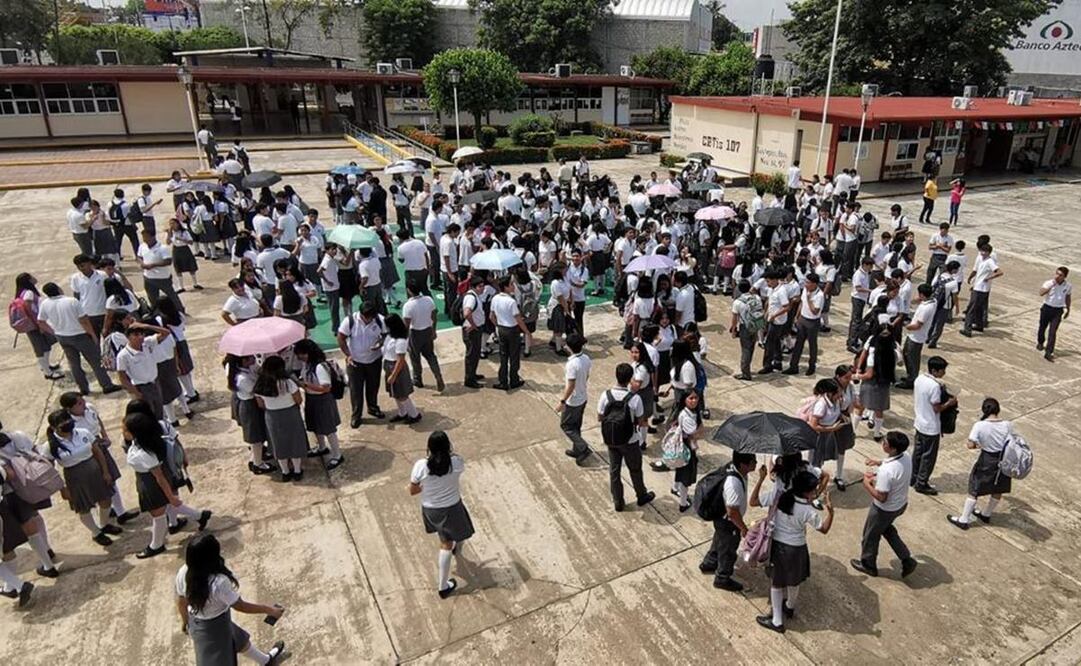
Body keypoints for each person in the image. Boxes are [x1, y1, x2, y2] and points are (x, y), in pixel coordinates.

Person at [176, 533, 286, 666]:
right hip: (216, 628)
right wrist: (270, 610)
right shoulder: (219, 582)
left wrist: (186, 623)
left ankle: (265, 660)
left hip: (198, 622)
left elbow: (182, 601)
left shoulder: (183, 572)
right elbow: (240, 606)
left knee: (240, 641)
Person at [751, 470, 833, 633]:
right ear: (805, 492)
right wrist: (831, 513)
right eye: (813, 490)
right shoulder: (808, 511)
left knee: (777, 583)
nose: (815, 493)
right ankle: (789, 607)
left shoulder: (782, 497)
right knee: (794, 581)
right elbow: (823, 529)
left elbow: (754, 501)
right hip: (798, 549)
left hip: (780, 548)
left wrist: (761, 478)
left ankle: (777, 620)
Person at [124, 411, 211, 559]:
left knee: (158, 516)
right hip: (146, 480)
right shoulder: (143, 443)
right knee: (169, 506)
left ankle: (156, 545)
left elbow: (159, 478)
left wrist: (170, 496)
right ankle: (200, 515)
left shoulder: (145, 453)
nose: (123, 433)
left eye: (126, 430)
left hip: (151, 484)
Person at [42, 409, 124, 548]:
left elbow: (97, 452)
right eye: (62, 423)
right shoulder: (49, 446)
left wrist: (105, 472)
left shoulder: (83, 433)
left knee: (106, 500)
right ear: (53, 427)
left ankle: (104, 524)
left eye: (67, 420)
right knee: (83, 507)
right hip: (74, 477)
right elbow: (50, 469)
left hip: (95, 471)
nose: (66, 424)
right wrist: (62, 488)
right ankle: (96, 532)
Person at [409, 431, 475, 599]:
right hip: (452, 507)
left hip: (431, 510)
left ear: (429, 447)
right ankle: (443, 586)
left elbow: (413, 490)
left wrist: (425, 487)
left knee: (445, 539)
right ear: (448, 446)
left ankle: (447, 575)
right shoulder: (457, 463)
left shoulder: (420, 466)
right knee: (447, 543)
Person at [59, 391, 138, 523]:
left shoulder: (89, 408)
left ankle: (120, 511)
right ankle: (106, 514)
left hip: (98, 444)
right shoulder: (69, 424)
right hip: (87, 452)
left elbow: (98, 420)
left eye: (82, 401)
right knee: (98, 483)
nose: (83, 404)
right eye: (79, 403)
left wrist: (105, 435)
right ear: (69, 409)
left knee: (110, 478)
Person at [851, 431, 918, 578]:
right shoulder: (905, 457)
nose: (882, 443)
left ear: (893, 449)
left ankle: (868, 564)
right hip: (900, 504)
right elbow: (892, 464)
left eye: (885, 443)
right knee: (887, 530)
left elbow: (881, 497)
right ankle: (906, 558)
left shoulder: (886, 472)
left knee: (870, 536)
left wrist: (866, 484)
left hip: (883, 510)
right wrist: (878, 462)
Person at [36, 282, 122, 396]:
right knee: (95, 361)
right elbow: (84, 320)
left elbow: (41, 322)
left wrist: (54, 332)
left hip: (63, 336)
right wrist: (92, 334)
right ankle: (106, 385)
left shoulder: (45, 304)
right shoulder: (71, 301)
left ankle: (83, 388)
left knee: (74, 364)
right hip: (80, 335)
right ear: (58, 289)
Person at [948, 398, 1016, 530]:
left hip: (987, 459)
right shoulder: (1008, 424)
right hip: (1004, 459)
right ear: (998, 410)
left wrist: (978, 445)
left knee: (975, 488)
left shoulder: (980, 425)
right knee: (998, 487)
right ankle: (986, 513)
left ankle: (964, 519)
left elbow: (970, 444)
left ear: (984, 410)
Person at [597, 363, 655, 512]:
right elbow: (641, 421)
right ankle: (641, 496)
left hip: (612, 439)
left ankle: (618, 501)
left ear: (616, 376)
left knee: (614, 471)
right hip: (630, 440)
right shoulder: (635, 399)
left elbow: (600, 417)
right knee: (635, 469)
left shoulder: (606, 395)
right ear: (630, 379)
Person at [699, 452, 757, 591]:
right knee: (729, 550)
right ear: (743, 464)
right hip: (728, 522)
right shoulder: (733, 483)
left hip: (722, 520)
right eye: (753, 461)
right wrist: (743, 528)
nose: (756, 463)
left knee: (719, 539)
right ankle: (722, 578)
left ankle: (710, 562)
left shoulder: (734, 469)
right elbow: (732, 512)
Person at [253, 355, 307, 482]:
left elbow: (260, 404)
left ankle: (285, 471)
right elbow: (298, 400)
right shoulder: (288, 383)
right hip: (291, 414)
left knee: (279, 443)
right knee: (294, 441)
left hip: (272, 416)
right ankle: (297, 470)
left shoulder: (260, 385)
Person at [294, 340, 344, 470]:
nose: (299, 357)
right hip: (312, 398)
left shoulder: (319, 367)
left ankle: (337, 455)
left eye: (302, 354)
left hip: (322, 399)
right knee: (315, 425)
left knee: (328, 428)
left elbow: (325, 388)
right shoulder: (307, 365)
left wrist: (305, 385)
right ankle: (322, 447)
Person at [911, 356, 957, 495]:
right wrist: (950, 403)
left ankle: (913, 477)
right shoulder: (934, 386)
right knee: (928, 457)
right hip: (931, 427)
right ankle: (922, 482)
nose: (944, 373)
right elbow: (937, 408)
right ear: (935, 370)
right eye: (942, 370)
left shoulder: (919, 379)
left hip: (919, 422)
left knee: (918, 453)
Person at [337, 301, 386, 428]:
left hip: (374, 360)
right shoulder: (350, 321)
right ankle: (356, 415)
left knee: (373, 386)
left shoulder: (380, 320)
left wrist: (380, 343)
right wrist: (348, 355)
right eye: (368, 317)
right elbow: (341, 337)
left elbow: (385, 334)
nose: (370, 319)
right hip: (355, 362)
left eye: (372, 317)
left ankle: (373, 408)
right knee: (356, 390)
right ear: (362, 315)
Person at [224, 354, 273, 476]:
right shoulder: (242, 378)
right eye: (250, 357)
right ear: (243, 361)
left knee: (258, 435)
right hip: (250, 406)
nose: (254, 358)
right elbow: (256, 389)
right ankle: (258, 464)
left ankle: (256, 458)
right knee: (256, 437)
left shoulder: (245, 370)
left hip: (251, 404)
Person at [115, 320, 172, 420]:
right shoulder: (123, 355)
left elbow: (166, 333)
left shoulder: (147, 343)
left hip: (154, 383)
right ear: (128, 337)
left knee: (160, 411)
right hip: (141, 387)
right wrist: (136, 393)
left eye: (142, 334)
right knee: (148, 415)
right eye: (136, 335)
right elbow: (122, 377)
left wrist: (147, 325)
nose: (140, 337)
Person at [14, 273, 64, 381]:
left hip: (32, 325)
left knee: (45, 345)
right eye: (31, 277)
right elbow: (29, 310)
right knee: (41, 348)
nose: (34, 278)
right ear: (28, 281)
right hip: (34, 325)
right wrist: (38, 324)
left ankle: (46, 366)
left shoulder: (22, 293)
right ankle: (48, 372)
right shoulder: (29, 294)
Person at [855, 322, 896, 442]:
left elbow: (869, 375)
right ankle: (877, 433)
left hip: (872, 383)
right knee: (879, 409)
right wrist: (859, 367)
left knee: (861, 406)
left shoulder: (873, 356)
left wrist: (856, 376)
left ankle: (854, 430)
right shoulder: (892, 350)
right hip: (884, 383)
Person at [402, 282, 444, 391]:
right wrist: (433, 330)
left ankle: (418, 379)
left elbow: (406, 324)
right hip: (428, 331)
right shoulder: (428, 300)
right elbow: (434, 316)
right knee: (430, 355)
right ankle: (438, 375)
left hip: (415, 333)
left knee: (415, 358)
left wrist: (404, 339)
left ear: (409, 291)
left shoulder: (408, 306)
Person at [557, 333, 592, 464]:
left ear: (569, 347)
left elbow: (571, 385)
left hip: (573, 401)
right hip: (583, 397)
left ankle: (583, 448)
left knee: (566, 426)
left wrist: (563, 401)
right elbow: (586, 376)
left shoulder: (572, 364)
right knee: (576, 426)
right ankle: (577, 449)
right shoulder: (586, 358)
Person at [490, 276, 530, 391]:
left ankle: (503, 381)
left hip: (501, 329)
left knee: (503, 356)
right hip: (512, 330)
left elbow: (491, 317)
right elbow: (518, 319)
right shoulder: (511, 302)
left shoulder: (495, 298)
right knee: (514, 356)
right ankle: (514, 380)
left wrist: (498, 325)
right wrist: (527, 332)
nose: (513, 286)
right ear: (506, 287)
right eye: (511, 284)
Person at [382, 314, 422, 424]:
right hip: (389, 364)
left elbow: (400, 360)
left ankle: (414, 415)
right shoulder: (391, 335)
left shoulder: (400, 340)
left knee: (402, 395)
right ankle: (402, 413)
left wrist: (393, 375)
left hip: (396, 368)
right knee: (396, 393)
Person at [897, 283, 936, 389]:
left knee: (911, 358)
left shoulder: (925, 308)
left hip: (916, 336)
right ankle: (911, 376)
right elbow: (918, 300)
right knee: (908, 355)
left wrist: (907, 326)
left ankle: (912, 380)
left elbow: (918, 325)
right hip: (916, 335)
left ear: (922, 295)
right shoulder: (932, 302)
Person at [784, 273, 823, 376]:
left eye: (808, 282)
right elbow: (802, 303)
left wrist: (810, 299)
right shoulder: (805, 290)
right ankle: (793, 366)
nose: (806, 284)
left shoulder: (819, 295)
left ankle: (811, 366)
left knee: (812, 345)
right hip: (802, 319)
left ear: (814, 284)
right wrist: (797, 316)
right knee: (798, 344)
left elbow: (815, 311)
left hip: (812, 322)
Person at [138, 228, 185, 313]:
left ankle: (180, 310)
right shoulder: (142, 246)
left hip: (162, 277)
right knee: (152, 296)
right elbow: (139, 256)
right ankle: (157, 312)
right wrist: (142, 264)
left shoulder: (163, 248)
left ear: (153, 237)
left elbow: (168, 261)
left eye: (147, 237)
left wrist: (153, 265)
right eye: (143, 237)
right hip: (148, 277)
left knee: (171, 295)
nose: (145, 239)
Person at [671, 390, 704, 512]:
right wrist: (700, 431)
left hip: (685, 446)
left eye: (696, 397)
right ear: (685, 400)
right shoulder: (685, 416)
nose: (694, 400)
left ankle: (675, 488)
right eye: (691, 398)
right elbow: (694, 434)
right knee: (686, 475)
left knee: (680, 470)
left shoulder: (691, 413)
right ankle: (683, 503)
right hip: (686, 449)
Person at [961, 244, 1002, 337]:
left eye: (985, 252)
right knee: (979, 308)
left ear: (989, 253)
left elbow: (999, 272)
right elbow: (977, 272)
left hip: (980, 288)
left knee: (971, 309)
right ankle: (979, 325)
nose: (983, 253)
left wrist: (989, 278)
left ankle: (967, 329)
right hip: (980, 287)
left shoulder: (989, 261)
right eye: (982, 251)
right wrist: (972, 279)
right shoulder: (982, 260)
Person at [1037, 266, 1071, 362]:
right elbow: (1041, 293)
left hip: (1058, 310)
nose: (1057, 276)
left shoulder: (1068, 286)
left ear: (1065, 277)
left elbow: (1068, 297)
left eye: (1060, 275)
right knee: (1042, 327)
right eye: (1057, 274)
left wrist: (1068, 309)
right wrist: (1052, 284)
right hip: (1047, 308)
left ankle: (1049, 352)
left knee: (1052, 332)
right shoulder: (1049, 283)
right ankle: (1040, 342)